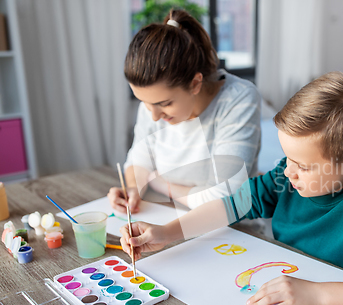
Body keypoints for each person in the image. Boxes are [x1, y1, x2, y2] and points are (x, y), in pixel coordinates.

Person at [119, 72, 343, 305]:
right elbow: (234, 204)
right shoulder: (288, 178)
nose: (288, 172)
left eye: (302, 165)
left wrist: (317, 294)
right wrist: (166, 232)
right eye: (287, 158)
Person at [108, 9, 261, 213]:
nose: (154, 116)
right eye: (144, 102)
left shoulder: (238, 100)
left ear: (195, 83)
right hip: (165, 213)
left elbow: (225, 199)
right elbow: (139, 161)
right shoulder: (154, 101)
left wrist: (164, 186)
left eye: (165, 103)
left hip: (229, 227)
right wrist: (134, 189)